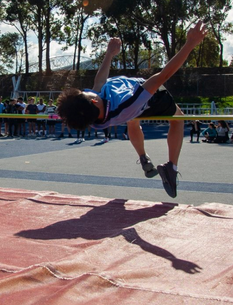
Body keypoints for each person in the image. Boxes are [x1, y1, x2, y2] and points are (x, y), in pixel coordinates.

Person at [56, 23, 207, 198]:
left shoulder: (93, 115)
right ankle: (171, 168)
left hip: (126, 109)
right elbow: (163, 75)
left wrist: (109, 54)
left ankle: (144, 158)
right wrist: (190, 43)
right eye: (86, 93)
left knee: (132, 121)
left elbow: (99, 82)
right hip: (151, 100)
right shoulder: (128, 103)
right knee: (177, 119)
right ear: (95, 101)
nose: (88, 91)